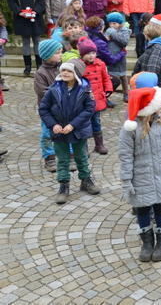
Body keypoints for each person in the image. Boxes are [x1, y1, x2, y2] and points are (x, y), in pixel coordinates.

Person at [119, 86, 161, 262]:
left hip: (160, 172)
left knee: (160, 206)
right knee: (142, 208)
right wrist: (126, 180)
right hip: (141, 175)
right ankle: (147, 242)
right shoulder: (130, 129)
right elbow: (125, 156)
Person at [39, 60, 101, 204]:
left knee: (81, 157)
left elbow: (89, 109)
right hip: (59, 132)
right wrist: (53, 124)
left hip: (78, 131)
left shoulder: (85, 90)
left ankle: (86, 180)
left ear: (76, 74)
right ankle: (63, 186)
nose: (65, 73)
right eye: (63, 70)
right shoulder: (53, 90)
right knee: (62, 159)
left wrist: (73, 125)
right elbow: (43, 109)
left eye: (69, 71)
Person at [8, 0, 47, 76]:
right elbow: (11, 1)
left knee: (37, 41)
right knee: (25, 41)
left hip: (35, 17)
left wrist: (36, 11)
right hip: (22, 18)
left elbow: (42, 1)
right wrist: (20, 12)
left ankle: (39, 66)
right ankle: (27, 67)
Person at [77, 37, 112, 155]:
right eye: (88, 53)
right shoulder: (79, 65)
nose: (91, 56)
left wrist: (108, 88)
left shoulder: (100, 64)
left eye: (93, 53)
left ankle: (99, 144)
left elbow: (106, 78)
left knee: (96, 122)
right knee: (84, 123)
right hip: (84, 100)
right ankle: (83, 148)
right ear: (82, 54)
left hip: (97, 99)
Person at [34, 39, 63, 172]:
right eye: (57, 53)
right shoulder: (40, 73)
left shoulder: (61, 68)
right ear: (47, 55)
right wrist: (60, 94)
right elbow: (42, 92)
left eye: (61, 52)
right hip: (48, 110)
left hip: (63, 108)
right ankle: (49, 158)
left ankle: (70, 154)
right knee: (47, 134)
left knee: (66, 130)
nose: (60, 55)